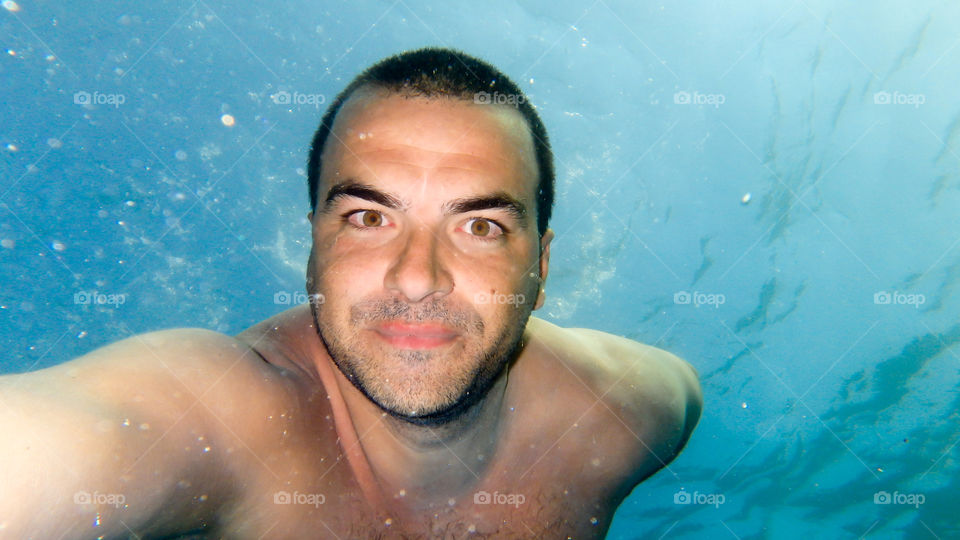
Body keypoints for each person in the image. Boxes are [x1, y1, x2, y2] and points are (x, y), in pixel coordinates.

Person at [0, 47, 701, 539]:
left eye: (481, 225)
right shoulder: (234, 421)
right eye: (369, 218)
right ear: (313, 252)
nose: (418, 277)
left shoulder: (622, 413)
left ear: (541, 269)